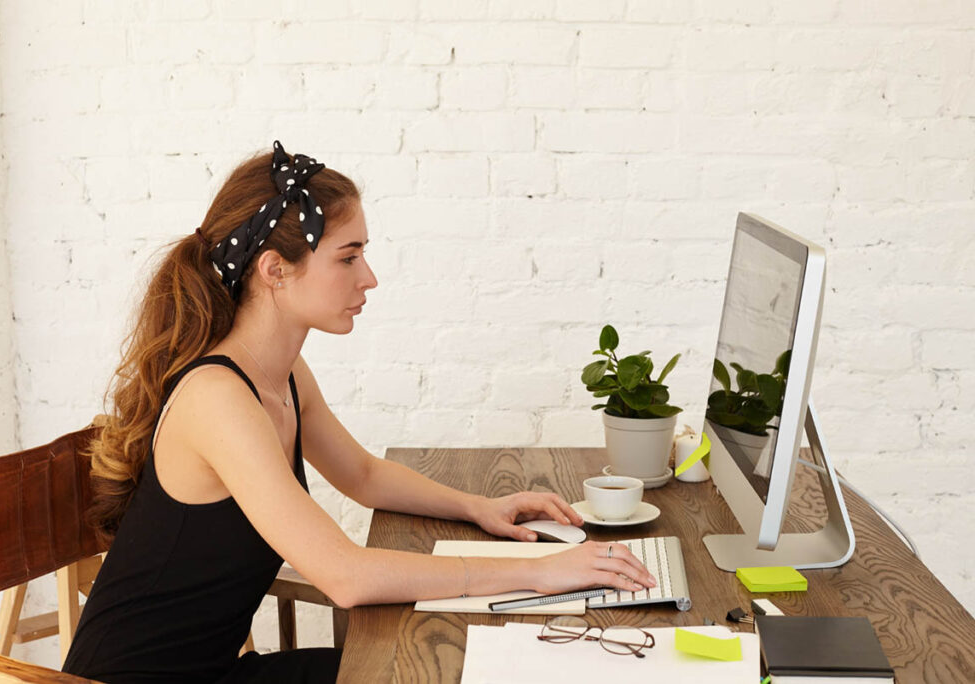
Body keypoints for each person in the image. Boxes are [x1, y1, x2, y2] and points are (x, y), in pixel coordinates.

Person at [61, 141, 655, 684]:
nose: (367, 277)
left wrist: (480, 507)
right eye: (348, 257)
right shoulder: (218, 397)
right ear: (275, 269)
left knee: (436, 665)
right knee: (433, 669)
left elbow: (364, 476)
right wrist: (542, 570)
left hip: (215, 672)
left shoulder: (282, 373)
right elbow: (345, 577)